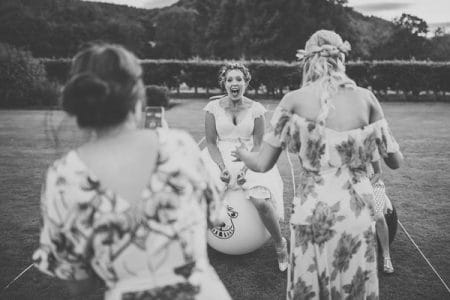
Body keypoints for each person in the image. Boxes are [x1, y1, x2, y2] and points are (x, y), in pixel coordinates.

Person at [32, 43, 231, 300]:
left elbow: (77, 281)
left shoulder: (63, 175)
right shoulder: (178, 144)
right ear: (137, 96)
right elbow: (215, 217)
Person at [232, 30, 403, 299]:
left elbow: (262, 164)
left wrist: (242, 153)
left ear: (308, 59)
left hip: (313, 211)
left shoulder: (293, 100)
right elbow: (395, 160)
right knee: (353, 286)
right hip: (356, 211)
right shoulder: (367, 98)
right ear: (341, 57)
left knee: (312, 288)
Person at [201, 63, 288, 271]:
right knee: (204, 197)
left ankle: (280, 244)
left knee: (261, 202)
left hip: (249, 155)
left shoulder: (257, 110)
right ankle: (196, 244)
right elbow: (211, 143)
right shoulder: (212, 108)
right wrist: (221, 167)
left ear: (246, 82)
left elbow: (258, 144)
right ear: (224, 83)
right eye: (230, 79)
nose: (234, 83)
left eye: (239, 79)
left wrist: (246, 168)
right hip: (218, 156)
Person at [368, 160, 395, 274]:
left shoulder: (369, 145)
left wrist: (366, 186)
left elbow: (378, 172)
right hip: (351, 189)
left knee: (378, 217)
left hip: (374, 185)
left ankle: (386, 257)